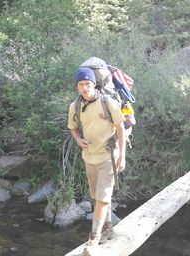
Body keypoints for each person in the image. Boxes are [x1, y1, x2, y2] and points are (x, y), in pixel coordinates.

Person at [67, 67, 126, 254]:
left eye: (88, 84)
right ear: (77, 87)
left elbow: (121, 129)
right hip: (89, 157)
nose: (85, 88)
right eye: (81, 85)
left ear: (94, 84)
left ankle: (94, 237)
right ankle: (108, 228)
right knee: (98, 197)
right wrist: (78, 139)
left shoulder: (108, 103)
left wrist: (122, 156)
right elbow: (73, 128)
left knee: (102, 198)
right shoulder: (75, 106)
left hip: (108, 157)